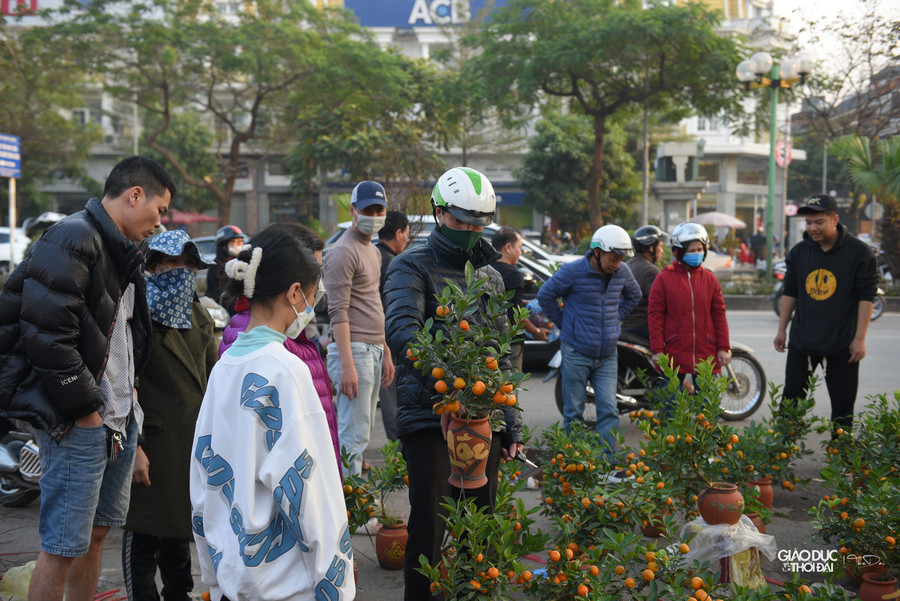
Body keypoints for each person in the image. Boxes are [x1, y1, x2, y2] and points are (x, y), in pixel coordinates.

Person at [0, 156, 175, 601]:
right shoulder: (74, 236)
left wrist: (128, 405)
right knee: (61, 546)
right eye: (160, 209)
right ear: (135, 196)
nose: (161, 221)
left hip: (118, 418)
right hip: (82, 421)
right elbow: (46, 337)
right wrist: (85, 414)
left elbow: (123, 339)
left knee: (96, 535)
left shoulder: (123, 250)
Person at [190, 225, 354, 601]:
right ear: (295, 292)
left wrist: (213, 577)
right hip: (287, 583)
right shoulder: (286, 370)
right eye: (313, 296)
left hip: (234, 577)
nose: (312, 307)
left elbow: (202, 480)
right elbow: (311, 493)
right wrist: (337, 588)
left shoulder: (225, 365)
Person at [383, 167, 524, 601]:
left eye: (478, 224)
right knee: (430, 524)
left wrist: (511, 425)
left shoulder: (492, 276)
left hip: (484, 417)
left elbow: (502, 354)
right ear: (439, 212)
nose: (469, 231)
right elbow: (404, 332)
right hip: (429, 417)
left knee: (478, 527)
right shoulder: (411, 266)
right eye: (460, 221)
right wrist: (454, 391)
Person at [122, 230, 218, 601]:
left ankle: (179, 595)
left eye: (190, 265)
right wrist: (135, 446)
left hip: (188, 443)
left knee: (180, 527)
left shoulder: (199, 314)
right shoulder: (135, 315)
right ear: (155, 267)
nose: (183, 272)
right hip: (152, 444)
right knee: (143, 533)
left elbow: (212, 377)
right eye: (176, 264)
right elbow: (122, 385)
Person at [219, 223, 341, 476]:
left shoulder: (294, 335)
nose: (318, 288)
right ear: (294, 288)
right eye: (314, 275)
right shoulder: (267, 352)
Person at [773, 194, 878, 430]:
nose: (812, 228)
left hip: (842, 345)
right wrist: (782, 330)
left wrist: (860, 339)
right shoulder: (799, 253)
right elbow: (790, 292)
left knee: (842, 407)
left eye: (818, 222)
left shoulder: (859, 253)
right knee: (790, 402)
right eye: (809, 223)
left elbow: (866, 296)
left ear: (835, 219)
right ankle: (779, 454)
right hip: (803, 342)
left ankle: (839, 455)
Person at [536, 225, 641, 448]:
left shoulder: (622, 272)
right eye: (613, 257)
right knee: (573, 411)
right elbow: (545, 295)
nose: (617, 263)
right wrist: (566, 323)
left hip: (607, 355)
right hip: (576, 352)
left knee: (609, 410)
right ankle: (577, 463)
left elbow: (635, 295)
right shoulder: (573, 272)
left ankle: (607, 465)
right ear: (597, 252)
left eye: (621, 258)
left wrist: (616, 316)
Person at [323, 181, 395, 475]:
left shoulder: (373, 251)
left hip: (372, 350)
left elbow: (373, 303)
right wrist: (348, 365)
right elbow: (337, 312)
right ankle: (348, 509)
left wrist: (386, 351)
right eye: (368, 209)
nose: (374, 215)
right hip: (354, 352)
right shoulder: (342, 252)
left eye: (379, 210)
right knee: (352, 435)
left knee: (360, 433)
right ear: (353, 211)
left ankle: (352, 503)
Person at [648, 222, 731, 389]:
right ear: (678, 252)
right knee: (670, 407)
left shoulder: (710, 279)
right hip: (672, 352)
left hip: (705, 352)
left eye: (700, 250)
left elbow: (719, 315)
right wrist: (657, 350)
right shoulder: (664, 279)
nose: (697, 254)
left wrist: (723, 347)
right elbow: (655, 315)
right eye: (692, 250)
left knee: (707, 407)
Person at [490, 226, 550, 372]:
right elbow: (515, 315)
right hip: (509, 343)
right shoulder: (514, 275)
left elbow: (498, 300)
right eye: (519, 247)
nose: (520, 252)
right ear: (508, 247)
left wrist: (523, 302)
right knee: (508, 391)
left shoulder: (484, 270)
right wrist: (536, 332)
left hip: (487, 341)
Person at [375, 211, 409, 442]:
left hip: (370, 337)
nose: (406, 240)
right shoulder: (392, 263)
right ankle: (398, 454)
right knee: (392, 399)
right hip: (386, 340)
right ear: (398, 233)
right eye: (406, 235)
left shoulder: (372, 254)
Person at [621, 225, 666, 341]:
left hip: (625, 326)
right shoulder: (650, 270)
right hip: (643, 327)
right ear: (651, 248)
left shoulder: (628, 265)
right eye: (660, 246)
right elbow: (663, 302)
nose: (662, 250)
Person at [205, 225, 246, 306]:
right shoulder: (215, 267)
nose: (239, 245)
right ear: (223, 245)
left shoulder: (242, 263)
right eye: (235, 242)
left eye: (240, 241)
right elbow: (221, 297)